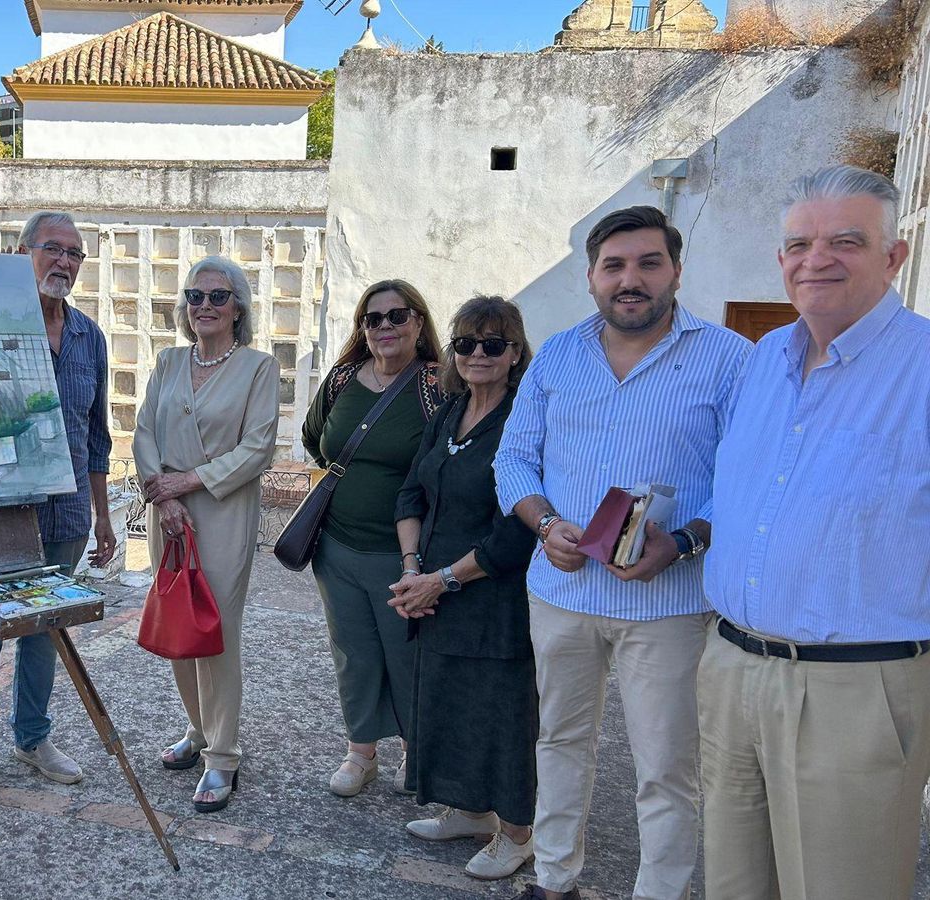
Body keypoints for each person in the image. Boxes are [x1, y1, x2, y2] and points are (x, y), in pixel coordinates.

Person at [494, 206, 751, 900]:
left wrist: (685, 541)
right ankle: (554, 881)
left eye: (647, 263)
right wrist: (546, 524)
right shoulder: (559, 353)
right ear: (591, 277)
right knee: (560, 743)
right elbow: (514, 458)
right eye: (614, 265)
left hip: (668, 603)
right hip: (561, 591)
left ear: (675, 271)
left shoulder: (730, 358)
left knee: (666, 767)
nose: (629, 279)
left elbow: (750, 482)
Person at [702, 165, 930, 899]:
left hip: (857, 690)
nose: (816, 259)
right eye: (798, 243)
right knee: (736, 885)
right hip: (733, 670)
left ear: (894, 258)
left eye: (846, 241)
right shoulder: (764, 359)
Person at [0, 211, 116, 797]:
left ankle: (33, 736)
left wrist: (102, 513)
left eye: (76, 254)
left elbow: (97, 433)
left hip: (66, 512)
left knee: (45, 627)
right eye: (54, 249)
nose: (65, 262)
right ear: (22, 252)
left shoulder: (88, 337)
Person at [391, 296, 538, 881]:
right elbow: (410, 495)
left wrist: (442, 579)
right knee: (449, 701)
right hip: (432, 586)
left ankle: (518, 833)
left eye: (493, 344)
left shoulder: (523, 418)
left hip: (492, 593)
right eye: (466, 343)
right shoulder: (448, 412)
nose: (478, 354)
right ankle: (472, 811)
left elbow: (514, 532)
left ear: (515, 353)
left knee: (501, 713)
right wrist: (411, 568)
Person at [132, 255, 280, 813]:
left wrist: (187, 483)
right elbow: (144, 430)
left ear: (238, 308)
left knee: (215, 633)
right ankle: (197, 731)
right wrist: (164, 494)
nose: (205, 306)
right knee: (178, 623)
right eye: (195, 296)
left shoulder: (258, 367)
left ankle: (224, 755)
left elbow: (258, 446)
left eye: (218, 297)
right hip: (165, 515)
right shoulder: (168, 361)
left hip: (220, 513)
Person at [302, 279, 446, 799]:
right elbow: (315, 438)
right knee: (353, 653)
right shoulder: (342, 379)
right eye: (373, 318)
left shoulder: (435, 385)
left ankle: (417, 749)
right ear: (362, 328)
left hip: (404, 553)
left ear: (418, 323)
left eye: (397, 316)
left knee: (407, 654)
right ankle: (360, 753)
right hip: (336, 547)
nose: (385, 326)